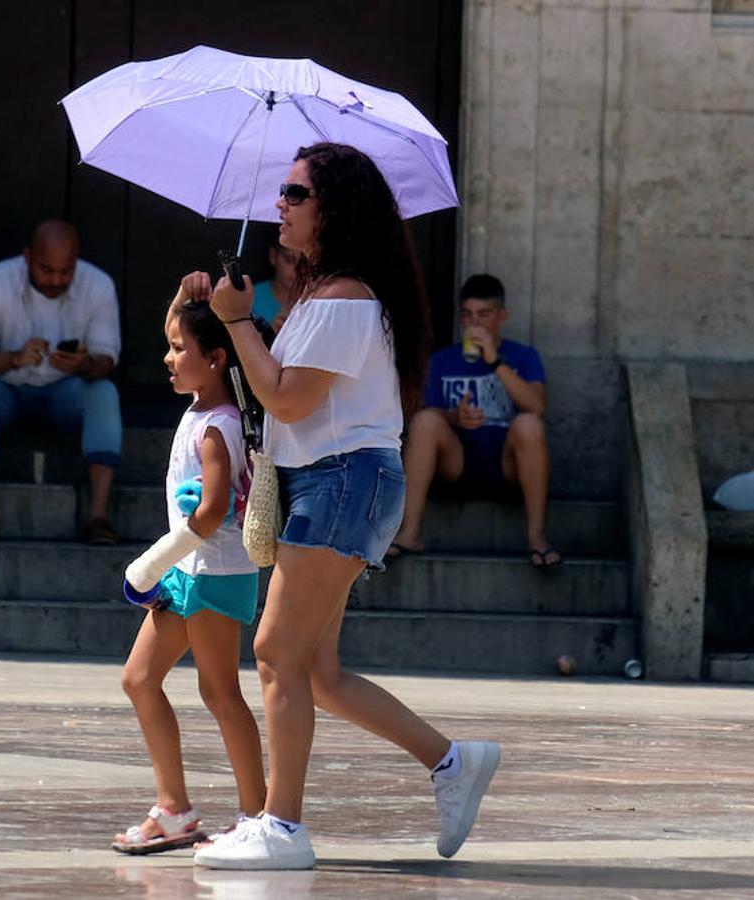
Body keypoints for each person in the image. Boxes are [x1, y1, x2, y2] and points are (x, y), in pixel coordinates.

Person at [194, 143, 500, 870]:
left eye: (295, 194)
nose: (281, 205)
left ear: (332, 210)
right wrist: (220, 316)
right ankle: (451, 760)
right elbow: (282, 389)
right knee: (318, 673)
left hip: (341, 482)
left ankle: (282, 827)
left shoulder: (345, 298)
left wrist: (237, 324)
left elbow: (287, 396)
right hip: (329, 481)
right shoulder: (325, 296)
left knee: (273, 652)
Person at [111, 279, 266, 855]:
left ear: (216, 359)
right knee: (138, 678)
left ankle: (258, 815)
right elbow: (182, 328)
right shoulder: (203, 406)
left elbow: (212, 512)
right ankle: (173, 810)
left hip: (215, 573)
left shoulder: (218, 426)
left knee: (220, 691)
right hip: (187, 571)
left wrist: (146, 569)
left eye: (181, 350)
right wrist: (179, 294)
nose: (168, 357)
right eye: (171, 346)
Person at [0, 220, 122, 545]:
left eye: (65, 271)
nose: (56, 280)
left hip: (65, 392)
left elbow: (107, 359)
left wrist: (84, 363)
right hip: (6, 388)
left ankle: (98, 518)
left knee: (104, 392)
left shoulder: (98, 286)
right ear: (27, 257)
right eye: (46, 270)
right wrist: (12, 358)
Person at [389, 273, 560, 567]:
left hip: (507, 464)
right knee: (426, 422)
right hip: (459, 464)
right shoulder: (443, 360)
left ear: (501, 316)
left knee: (529, 425)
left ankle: (537, 537)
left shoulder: (522, 356)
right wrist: (455, 416)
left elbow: (537, 406)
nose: (474, 323)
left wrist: (494, 360)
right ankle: (410, 532)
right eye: (467, 315)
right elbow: (422, 417)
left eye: (484, 314)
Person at [249, 235, 300, 329]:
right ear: (273, 256)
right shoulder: (248, 299)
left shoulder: (318, 301)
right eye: (289, 260)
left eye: (304, 263)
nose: (297, 269)